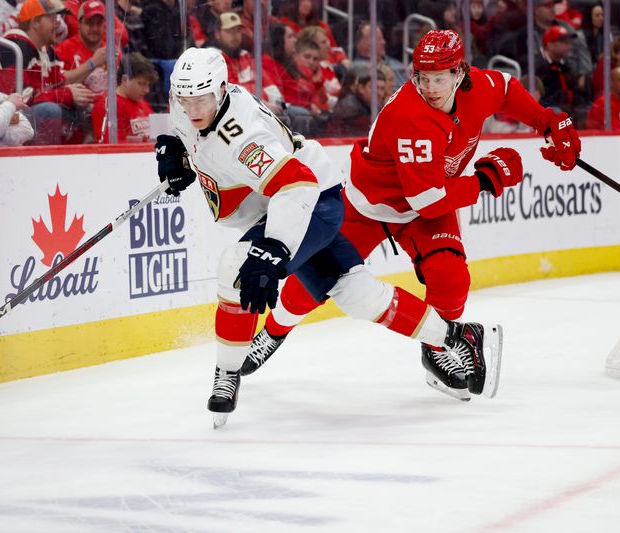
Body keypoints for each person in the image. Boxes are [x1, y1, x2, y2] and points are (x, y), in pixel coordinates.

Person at [156, 46, 503, 428]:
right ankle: (458, 336)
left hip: (312, 203)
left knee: (234, 268)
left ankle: (226, 375)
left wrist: (274, 249)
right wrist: (176, 150)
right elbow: (185, 130)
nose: (191, 109)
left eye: (200, 99)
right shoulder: (191, 100)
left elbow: (298, 186)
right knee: (357, 296)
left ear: (222, 89)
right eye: (184, 98)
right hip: (281, 203)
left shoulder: (242, 138)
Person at [241, 29, 581, 401]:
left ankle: (436, 353)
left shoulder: (476, 87)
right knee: (317, 280)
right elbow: (430, 202)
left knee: (451, 278)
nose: (431, 87)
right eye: (423, 77)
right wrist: (485, 179)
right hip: (369, 204)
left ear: (460, 74)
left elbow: (505, 87)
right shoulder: (411, 116)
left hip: (426, 200)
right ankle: (273, 332)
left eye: (440, 78)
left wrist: (545, 120)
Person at [0, 0, 94, 144]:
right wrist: (66, 93)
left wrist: (77, 94)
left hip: (22, 114)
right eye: (53, 18)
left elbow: (58, 83)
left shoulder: (46, 50)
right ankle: (47, 161)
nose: (58, 24)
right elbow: (19, 98)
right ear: (35, 22)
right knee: (49, 110)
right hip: (4, 117)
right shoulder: (14, 48)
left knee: (85, 108)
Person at [91, 52, 155, 142]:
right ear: (125, 80)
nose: (147, 90)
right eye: (141, 84)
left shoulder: (141, 101)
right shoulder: (110, 107)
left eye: (148, 85)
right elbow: (115, 150)